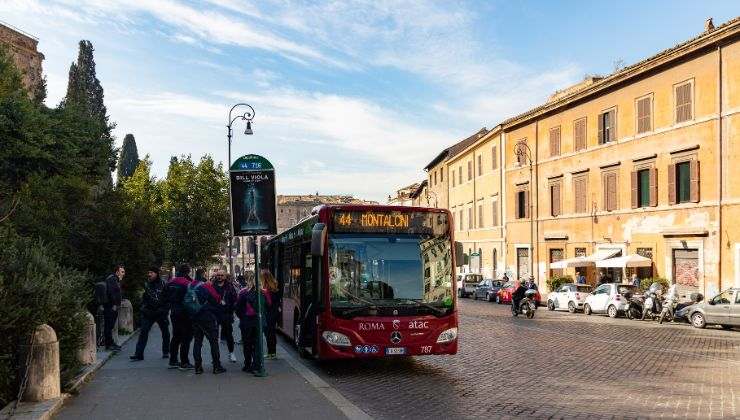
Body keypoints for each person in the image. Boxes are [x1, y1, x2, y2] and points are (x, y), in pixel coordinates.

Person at [131, 267, 170, 361]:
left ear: (156, 273)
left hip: (161, 313)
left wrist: (164, 310)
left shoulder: (164, 284)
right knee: (143, 332)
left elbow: (168, 299)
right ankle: (139, 354)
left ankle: (166, 352)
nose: (149, 274)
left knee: (165, 333)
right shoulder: (147, 284)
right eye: (148, 272)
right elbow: (144, 299)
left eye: (151, 272)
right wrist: (144, 309)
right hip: (149, 313)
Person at [192, 269, 226, 374]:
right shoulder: (206, 286)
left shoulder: (191, 285)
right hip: (207, 317)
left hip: (195, 317)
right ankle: (216, 366)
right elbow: (217, 300)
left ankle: (198, 367)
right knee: (213, 341)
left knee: (197, 342)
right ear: (204, 275)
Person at [163, 264, 194, 370]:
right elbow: (191, 299)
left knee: (176, 336)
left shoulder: (170, 282)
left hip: (174, 312)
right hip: (185, 313)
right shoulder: (187, 283)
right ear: (188, 272)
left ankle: (173, 360)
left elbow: (164, 298)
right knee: (186, 337)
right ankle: (184, 362)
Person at [235, 279, 261, 373]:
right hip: (257, 322)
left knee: (247, 344)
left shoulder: (243, 293)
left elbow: (237, 308)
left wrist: (242, 317)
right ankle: (256, 364)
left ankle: (247, 365)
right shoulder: (260, 293)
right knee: (257, 344)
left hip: (246, 322)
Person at [213, 269, 238, 363]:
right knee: (214, 336)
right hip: (215, 314)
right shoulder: (213, 286)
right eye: (218, 275)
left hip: (226, 313)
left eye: (221, 275)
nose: (219, 277)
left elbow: (234, 299)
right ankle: (215, 357)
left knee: (228, 334)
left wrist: (233, 310)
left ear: (225, 276)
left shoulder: (230, 287)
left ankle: (231, 353)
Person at [102, 265, 124, 351]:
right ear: (117, 272)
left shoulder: (115, 279)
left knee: (110, 326)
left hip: (112, 306)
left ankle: (111, 343)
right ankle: (109, 344)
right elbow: (112, 293)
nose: (123, 274)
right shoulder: (112, 279)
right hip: (110, 306)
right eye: (122, 272)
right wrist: (114, 305)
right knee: (109, 325)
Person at [261, 269, 280, 359]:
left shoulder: (266, 289)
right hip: (274, 313)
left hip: (269, 313)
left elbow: (268, 303)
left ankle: (271, 353)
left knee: (269, 333)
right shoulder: (274, 287)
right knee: (272, 333)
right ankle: (273, 353)